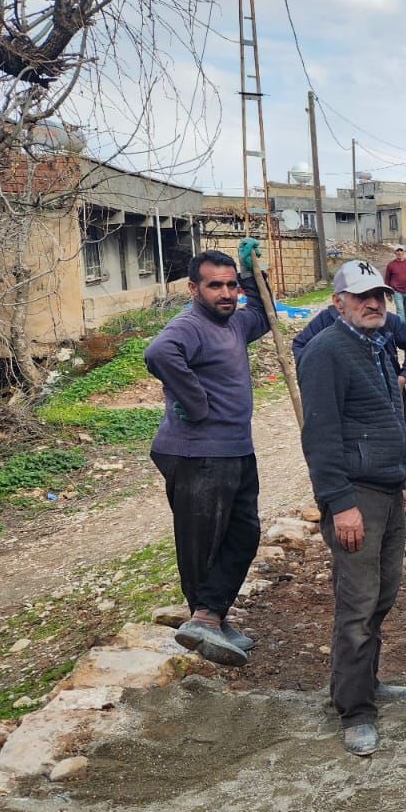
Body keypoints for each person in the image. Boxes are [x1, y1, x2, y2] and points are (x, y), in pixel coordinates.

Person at [297, 261, 406, 757]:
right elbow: (320, 438)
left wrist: (399, 480)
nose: (374, 304)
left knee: (383, 594)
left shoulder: (377, 346)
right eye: (363, 296)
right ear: (337, 301)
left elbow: (384, 418)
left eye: (381, 296)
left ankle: (362, 682)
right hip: (356, 499)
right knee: (358, 605)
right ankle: (355, 710)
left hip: (387, 492)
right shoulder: (327, 352)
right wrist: (341, 504)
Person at [143, 249, 271, 668]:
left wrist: (254, 274)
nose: (227, 293)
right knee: (203, 544)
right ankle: (204, 617)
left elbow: (265, 314)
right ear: (194, 288)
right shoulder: (190, 324)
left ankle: (212, 614)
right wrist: (195, 403)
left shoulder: (234, 322)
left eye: (232, 285)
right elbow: (159, 354)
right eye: (216, 285)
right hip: (196, 452)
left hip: (235, 448)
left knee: (243, 534)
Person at [292, 301, 406, 418]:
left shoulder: (388, 321)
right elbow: (301, 345)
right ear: (339, 301)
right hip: (345, 399)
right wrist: (319, 378)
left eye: (377, 296)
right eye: (360, 297)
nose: (372, 304)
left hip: (388, 396)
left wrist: (404, 376)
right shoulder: (326, 320)